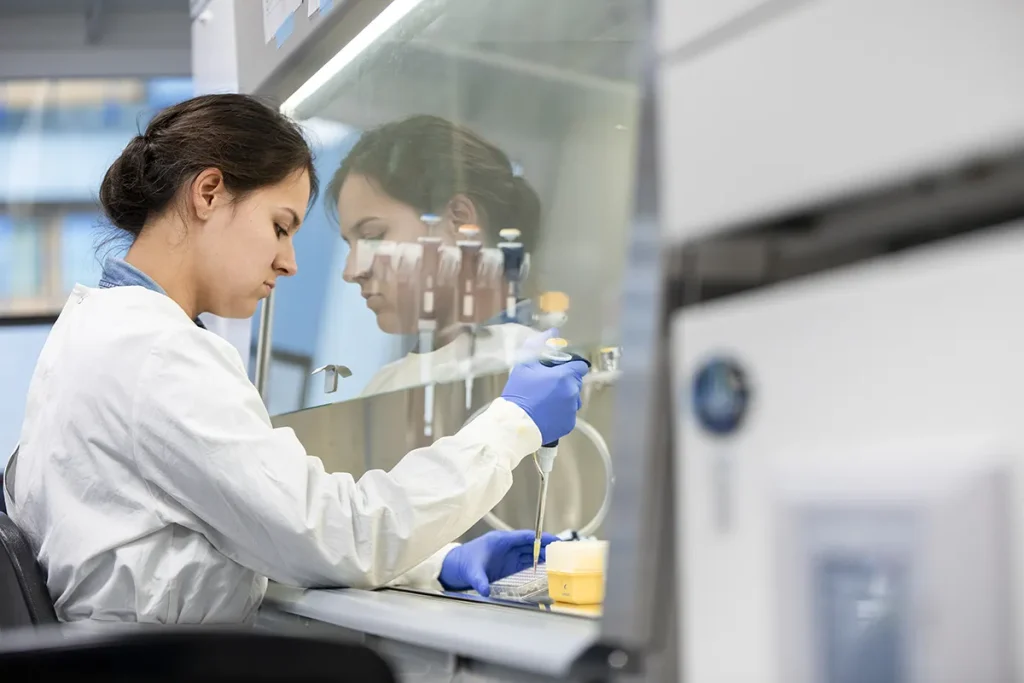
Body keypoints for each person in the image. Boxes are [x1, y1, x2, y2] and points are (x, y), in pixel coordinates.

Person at [2, 94, 589, 623]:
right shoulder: (154, 352)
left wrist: (440, 563)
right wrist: (513, 422)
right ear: (208, 193)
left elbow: (250, 534)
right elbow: (342, 537)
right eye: (281, 227)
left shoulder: (100, 330)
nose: (290, 262)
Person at [329, 115, 544, 396]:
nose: (351, 271)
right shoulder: (385, 384)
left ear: (459, 220)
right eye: (350, 244)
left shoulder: (530, 367)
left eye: (372, 237)